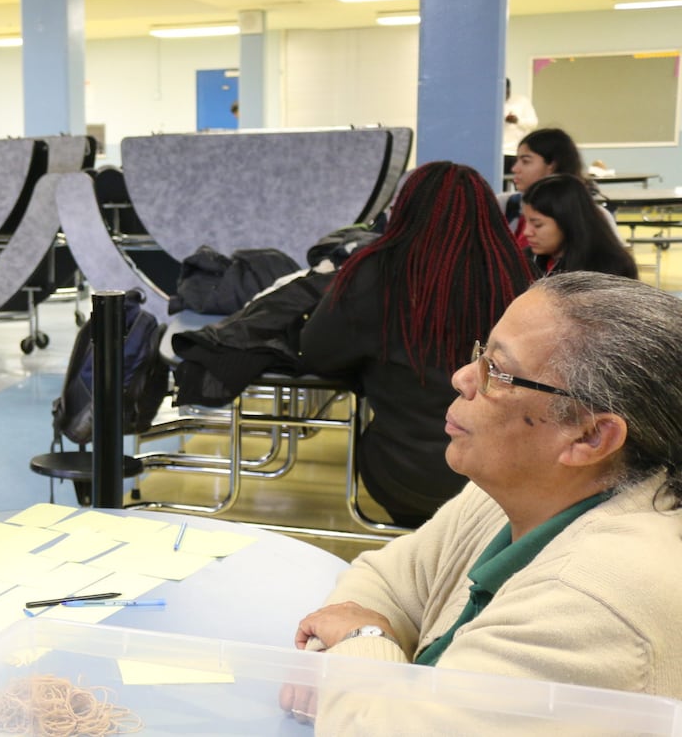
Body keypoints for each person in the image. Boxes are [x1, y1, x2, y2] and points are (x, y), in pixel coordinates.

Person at [287, 273, 682, 729]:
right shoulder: (516, 491)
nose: (461, 377)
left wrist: (361, 640)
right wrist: (354, 644)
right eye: (481, 354)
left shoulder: (593, 598)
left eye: (496, 371)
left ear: (590, 436)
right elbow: (384, 581)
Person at [300, 162, 534, 526]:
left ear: (404, 208)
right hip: (503, 483)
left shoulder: (375, 273)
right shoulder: (516, 275)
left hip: (402, 477)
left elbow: (317, 352)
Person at [520, 175, 638, 278]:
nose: (527, 232)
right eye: (526, 221)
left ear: (567, 222)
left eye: (537, 224)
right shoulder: (527, 261)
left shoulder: (609, 270)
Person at [501, 77, 537, 159]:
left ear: (509, 89)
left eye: (506, 92)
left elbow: (533, 123)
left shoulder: (522, 101)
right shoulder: (490, 102)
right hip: (496, 151)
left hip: (516, 151)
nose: (504, 95)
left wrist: (517, 121)